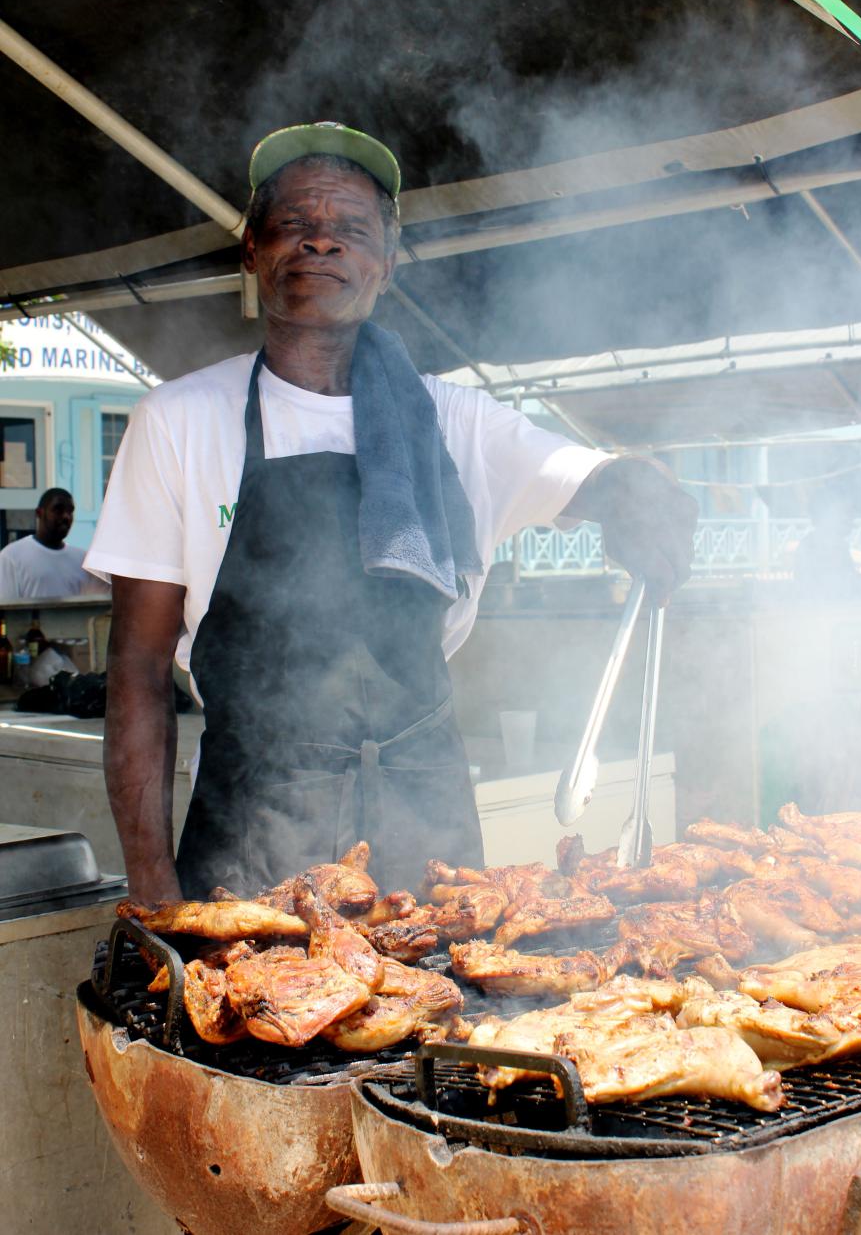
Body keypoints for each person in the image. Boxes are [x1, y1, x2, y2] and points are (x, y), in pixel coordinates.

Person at [85, 122, 697, 903]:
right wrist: (150, 889)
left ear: (387, 263)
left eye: (350, 228)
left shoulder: (457, 422)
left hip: (426, 831)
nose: (320, 242)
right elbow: (137, 670)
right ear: (251, 249)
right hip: (251, 831)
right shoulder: (177, 421)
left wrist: (639, 490)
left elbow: (595, 477)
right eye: (293, 223)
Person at [0, 487, 103, 600]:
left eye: (70, 511)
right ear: (39, 513)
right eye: (58, 510)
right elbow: (7, 607)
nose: (66, 516)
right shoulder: (11, 556)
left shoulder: (83, 559)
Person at [792, 484, 861, 600]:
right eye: (846, 512)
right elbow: (814, 593)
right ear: (827, 514)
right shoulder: (811, 548)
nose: (852, 518)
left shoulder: (840, 547)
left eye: (851, 512)